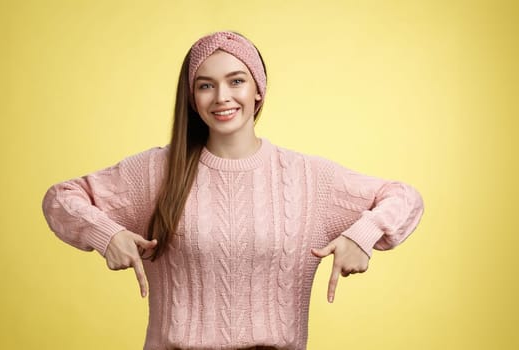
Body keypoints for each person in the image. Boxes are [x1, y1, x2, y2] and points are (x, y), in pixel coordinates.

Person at [41, 30, 425, 350]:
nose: (222, 96)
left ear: (258, 90)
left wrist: (363, 234)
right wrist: (106, 235)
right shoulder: (157, 171)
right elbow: (60, 198)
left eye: (236, 81)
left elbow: (405, 197)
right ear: (193, 99)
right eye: (206, 85)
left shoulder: (308, 178)